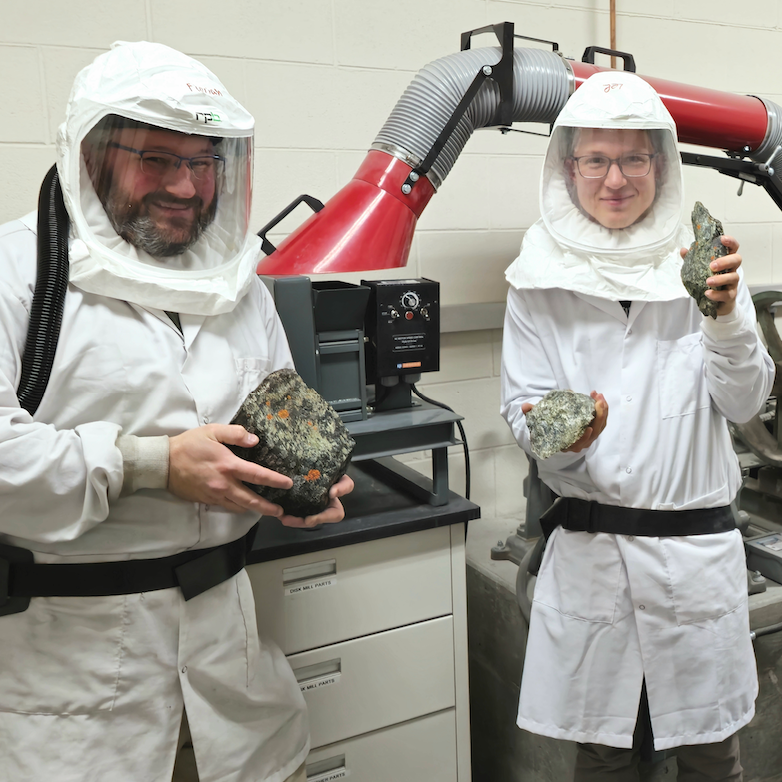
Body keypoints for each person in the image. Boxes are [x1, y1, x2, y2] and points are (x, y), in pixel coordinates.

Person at [0, 41, 353, 782]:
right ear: (91, 155)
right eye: (157, 159)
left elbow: (279, 406)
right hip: (78, 685)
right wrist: (155, 465)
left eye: (204, 162)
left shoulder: (236, 287)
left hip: (231, 665)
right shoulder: (17, 276)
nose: (188, 187)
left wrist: (293, 482)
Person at [500, 70, 775, 782]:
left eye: (634, 158)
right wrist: (560, 433)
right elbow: (521, 410)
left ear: (662, 165)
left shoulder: (701, 262)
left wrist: (727, 318)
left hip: (694, 563)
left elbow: (746, 404)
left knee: (712, 753)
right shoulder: (537, 276)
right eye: (596, 158)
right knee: (606, 756)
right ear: (570, 167)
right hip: (595, 556)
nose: (615, 178)